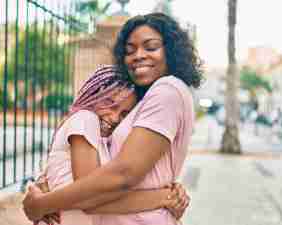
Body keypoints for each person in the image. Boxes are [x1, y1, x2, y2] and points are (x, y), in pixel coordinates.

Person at [23, 12, 204, 225]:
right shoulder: (95, 119)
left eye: (151, 47)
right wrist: (164, 196)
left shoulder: (167, 90)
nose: (138, 55)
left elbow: (121, 176)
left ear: (171, 51)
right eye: (129, 50)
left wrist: (41, 204)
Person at [32, 65, 186, 225]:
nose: (114, 117)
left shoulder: (104, 141)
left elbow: (113, 188)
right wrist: (164, 197)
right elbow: (91, 197)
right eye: (110, 103)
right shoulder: (85, 119)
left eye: (124, 114)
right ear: (93, 95)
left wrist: (170, 193)